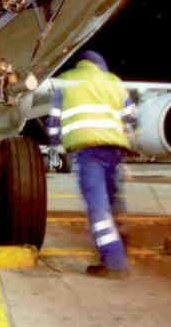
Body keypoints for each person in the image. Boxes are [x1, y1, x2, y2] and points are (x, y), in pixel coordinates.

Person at [49, 50, 136, 278]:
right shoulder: (113, 81)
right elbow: (131, 116)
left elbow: (54, 119)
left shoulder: (67, 80)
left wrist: (55, 144)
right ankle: (122, 239)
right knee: (115, 200)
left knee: (98, 207)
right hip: (114, 150)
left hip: (88, 151)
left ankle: (114, 261)